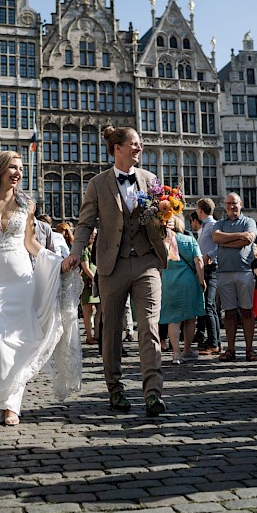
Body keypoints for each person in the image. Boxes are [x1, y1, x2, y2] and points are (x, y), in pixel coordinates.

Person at [0, 151, 77, 424]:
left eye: (21, 169)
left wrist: (58, 262)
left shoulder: (27, 204)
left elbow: (31, 243)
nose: (18, 173)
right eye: (13, 167)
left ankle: (10, 404)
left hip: (21, 279)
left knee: (17, 340)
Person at [64, 127, 169, 417]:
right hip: (112, 264)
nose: (140, 148)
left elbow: (165, 217)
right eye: (134, 144)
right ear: (118, 148)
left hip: (147, 261)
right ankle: (115, 388)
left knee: (149, 326)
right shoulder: (98, 184)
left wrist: (166, 215)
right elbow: (85, 223)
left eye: (140, 144)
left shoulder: (150, 180)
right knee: (110, 329)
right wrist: (76, 253)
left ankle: (152, 393)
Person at [213, 193, 257, 362]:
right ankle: (230, 349)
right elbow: (215, 237)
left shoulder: (249, 222)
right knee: (229, 313)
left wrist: (224, 242)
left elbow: (248, 240)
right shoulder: (220, 223)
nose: (231, 206)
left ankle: (249, 349)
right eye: (228, 203)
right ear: (224, 205)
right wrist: (238, 236)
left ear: (241, 204)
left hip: (244, 271)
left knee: (247, 312)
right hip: (224, 272)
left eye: (234, 203)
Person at [160, 216, 205, 365]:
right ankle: (187, 350)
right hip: (188, 283)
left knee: (173, 319)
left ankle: (175, 353)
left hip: (168, 283)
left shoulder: (163, 243)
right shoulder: (189, 240)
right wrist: (201, 280)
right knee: (190, 318)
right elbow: (199, 261)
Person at [195, 199, 221, 355]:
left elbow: (219, 244)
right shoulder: (205, 226)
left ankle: (214, 342)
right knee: (210, 307)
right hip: (206, 268)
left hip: (211, 268)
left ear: (200, 210)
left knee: (209, 306)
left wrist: (209, 255)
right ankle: (215, 340)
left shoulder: (212, 225)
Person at [79, 230, 100, 345]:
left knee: (100, 309)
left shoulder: (96, 248)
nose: (93, 236)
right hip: (89, 283)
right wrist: (95, 279)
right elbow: (86, 268)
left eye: (95, 234)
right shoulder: (84, 249)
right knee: (88, 310)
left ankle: (97, 334)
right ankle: (89, 336)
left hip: (98, 281)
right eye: (91, 234)